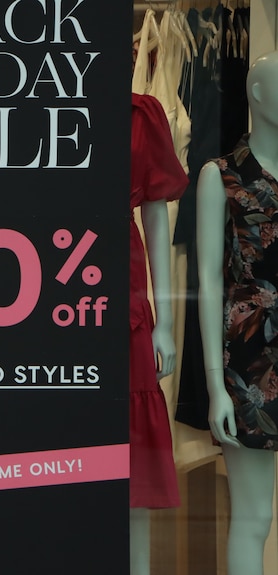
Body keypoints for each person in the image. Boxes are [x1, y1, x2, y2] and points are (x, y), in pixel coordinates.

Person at [197, 50, 278, 575]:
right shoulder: (220, 177)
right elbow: (205, 280)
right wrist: (214, 385)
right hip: (250, 363)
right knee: (253, 517)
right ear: (257, 93)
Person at [128, 93, 186, 575]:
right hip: (52, 287)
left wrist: (164, 320)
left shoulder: (138, 115)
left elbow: (155, 215)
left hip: (121, 288)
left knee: (132, 470)